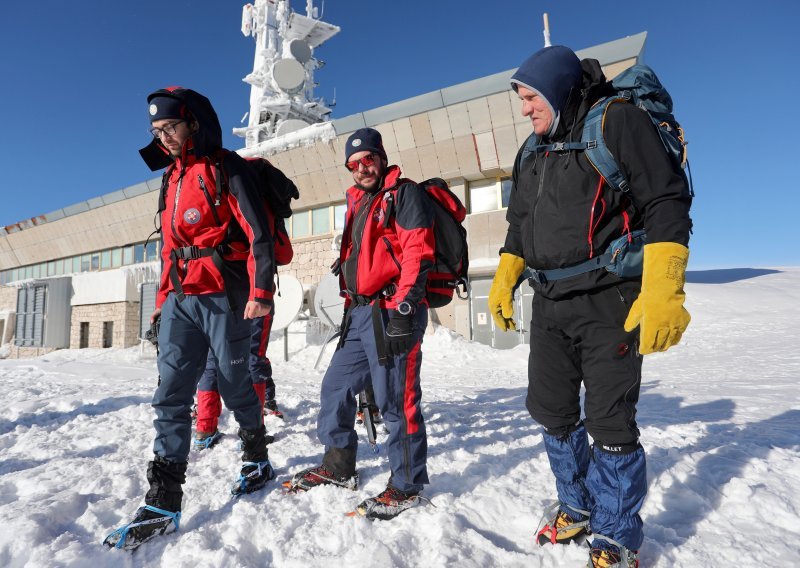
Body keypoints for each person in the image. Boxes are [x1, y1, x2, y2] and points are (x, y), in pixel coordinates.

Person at [488, 47, 692, 567]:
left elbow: (666, 200)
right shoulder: (531, 151)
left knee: (609, 421)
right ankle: (576, 505)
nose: (525, 109)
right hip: (551, 304)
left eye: (531, 97)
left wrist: (665, 286)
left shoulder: (617, 121)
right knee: (551, 412)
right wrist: (507, 275)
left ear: (556, 88)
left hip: (610, 300)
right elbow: (519, 224)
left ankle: (617, 534)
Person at [104, 87, 277, 550]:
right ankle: (163, 499)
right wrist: (162, 301)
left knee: (235, 384)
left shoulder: (225, 167)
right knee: (170, 393)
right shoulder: (171, 178)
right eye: (157, 131)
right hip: (182, 294)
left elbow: (258, 233)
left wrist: (261, 292)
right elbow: (167, 248)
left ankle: (256, 455)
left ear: (193, 124)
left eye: (170, 128)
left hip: (225, 292)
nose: (164, 138)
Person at [285, 128, 434, 520]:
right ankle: (338, 465)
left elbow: (417, 251)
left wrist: (405, 308)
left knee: (395, 402)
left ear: (381, 157)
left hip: (391, 311)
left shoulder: (404, 194)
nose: (362, 168)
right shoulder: (359, 201)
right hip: (360, 313)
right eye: (354, 164)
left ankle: (406, 485)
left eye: (368, 159)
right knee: (334, 386)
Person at [194, 312, 283, 451]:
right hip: (253, 302)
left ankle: (204, 431)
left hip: (218, 304)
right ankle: (253, 434)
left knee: (212, 362)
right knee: (254, 359)